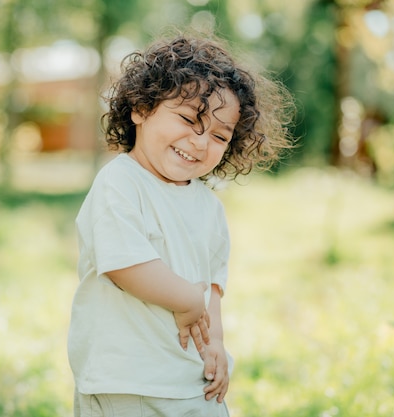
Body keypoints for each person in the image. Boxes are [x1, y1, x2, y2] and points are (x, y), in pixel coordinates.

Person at [67, 33, 293, 417]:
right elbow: (124, 264)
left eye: (220, 136)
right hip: (128, 381)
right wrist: (186, 299)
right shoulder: (120, 182)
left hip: (191, 383)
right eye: (189, 119)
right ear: (140, 108)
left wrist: (216, 344)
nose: (201, 142)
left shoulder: (209, 207)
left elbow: (213, 291)